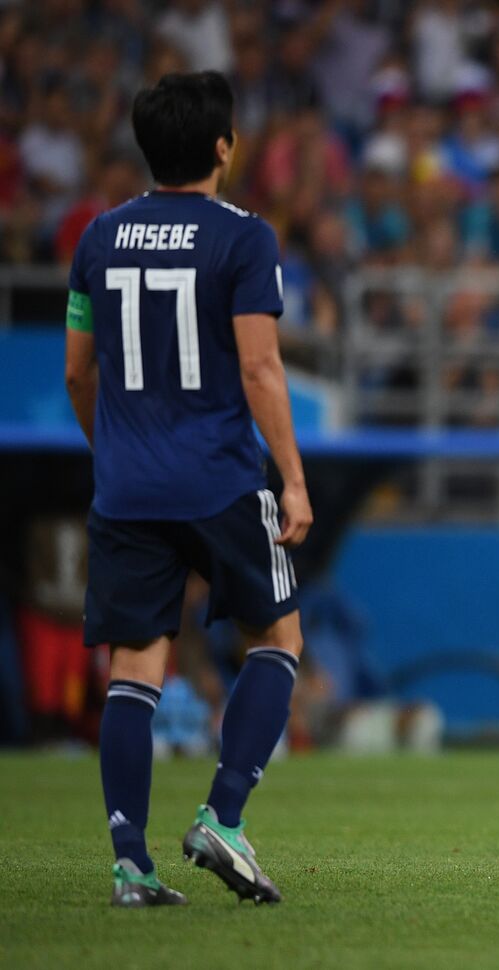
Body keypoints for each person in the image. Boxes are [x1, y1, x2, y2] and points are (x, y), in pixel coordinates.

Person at [65, 72, 312, 907]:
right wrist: (295, 477)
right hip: (218, 478)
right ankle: (224, 816)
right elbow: (258, 365)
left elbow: (76, 367)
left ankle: (130, 865)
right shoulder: (245, 240)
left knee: (135, 668)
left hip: (127, 488)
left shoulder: (97, 239)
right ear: (222, 146)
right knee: (277, 638)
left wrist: (117, 452)